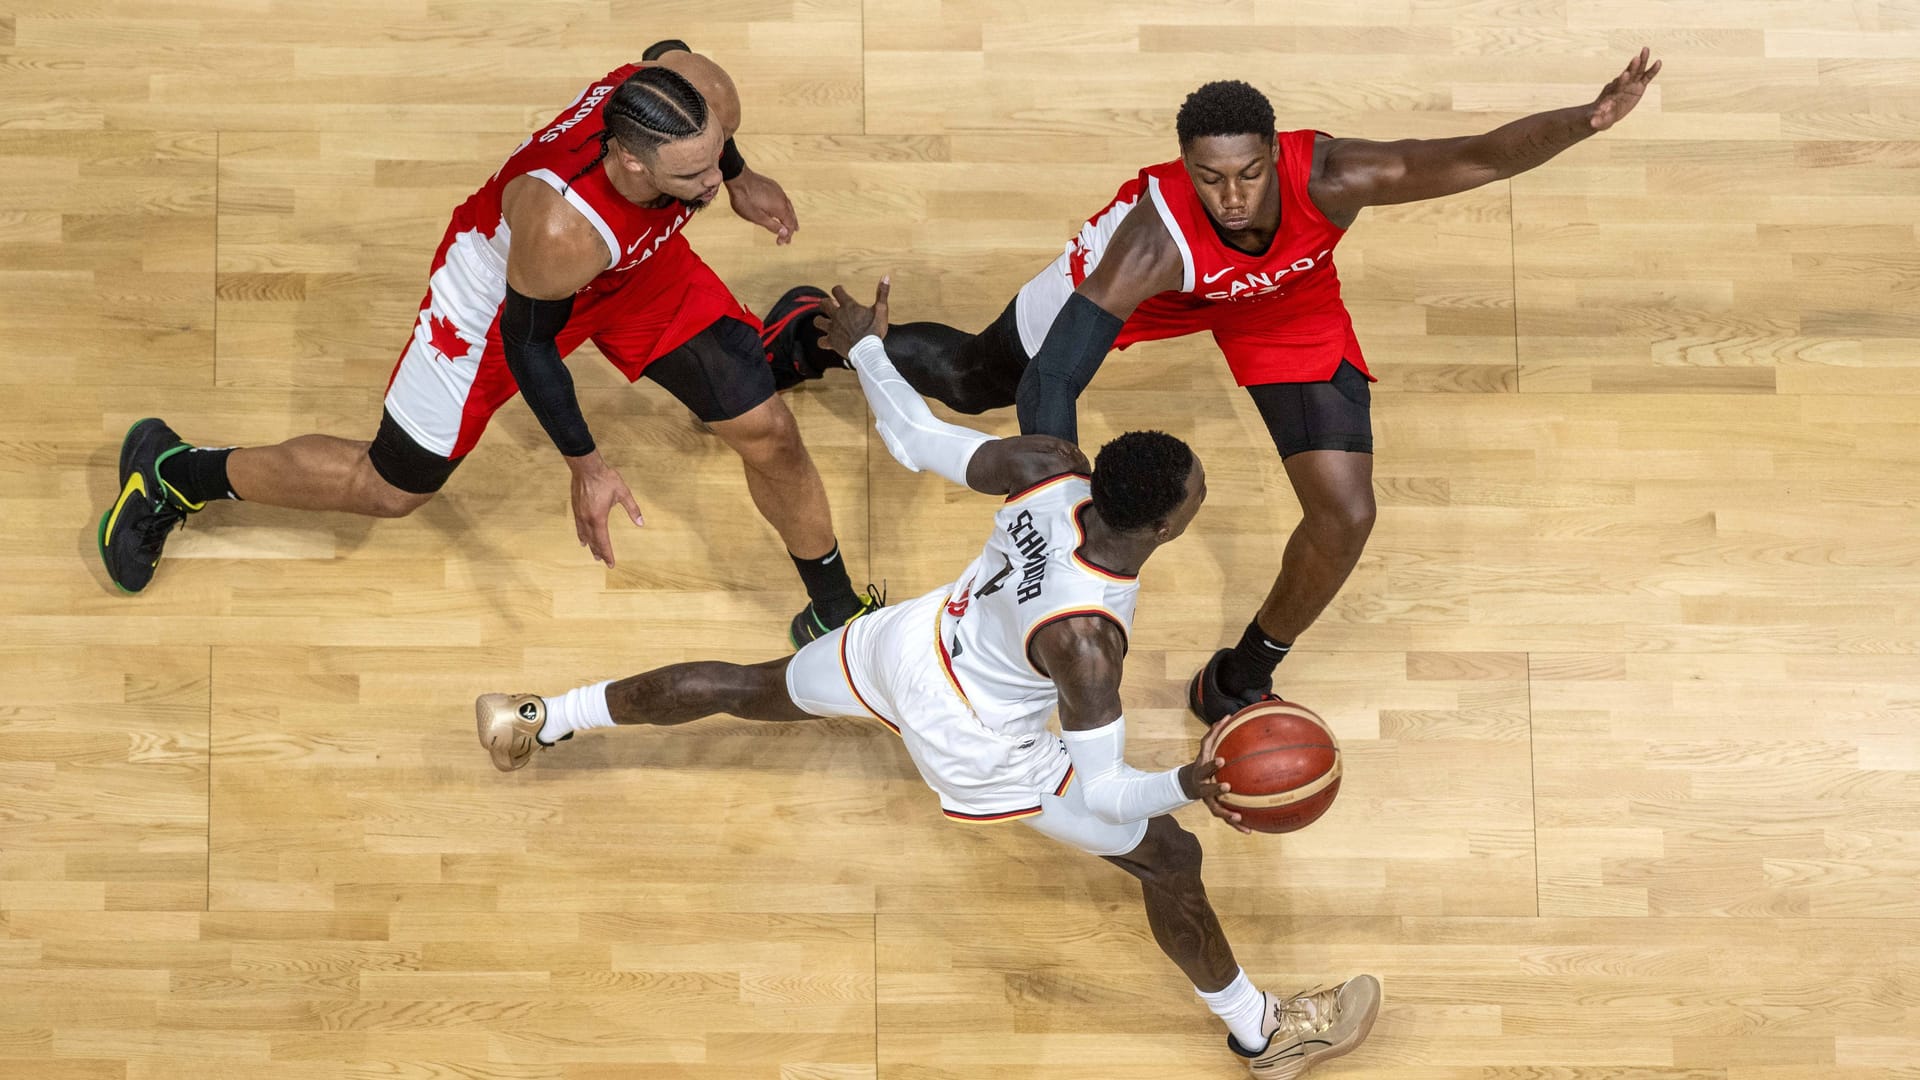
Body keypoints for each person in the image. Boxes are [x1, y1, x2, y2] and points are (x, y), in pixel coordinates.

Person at [476, 280, 1382, 1079]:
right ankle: (1265, 1037)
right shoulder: (1088, 644)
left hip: (908, 646)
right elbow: (1105, 790)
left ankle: (537, 714)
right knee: (1169, 854)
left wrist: (865, 343)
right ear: (1163, 529)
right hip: (976, 739)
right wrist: (1193, 783)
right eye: (1198, 499)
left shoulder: (1049, 469)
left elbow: (913, 438)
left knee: (748, 687)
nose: (1202, 500)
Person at [766, 50, 1664, 719]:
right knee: (974, 382)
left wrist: (1582, 120)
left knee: (1347, 515)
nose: (1231, 196)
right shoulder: (1148, 237)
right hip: (1151, 293)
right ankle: (824, 340)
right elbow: (1057, 375)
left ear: (1276, 154)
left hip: (1283, 301)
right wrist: (1053, 490)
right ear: (1185, 170)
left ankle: (1242, 674)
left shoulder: (1340, 176)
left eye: (1247, 173)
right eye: (1208, 178)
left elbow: (1482, 155)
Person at [97, 40, 878, 646]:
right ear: (631, 160)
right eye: (698, 175)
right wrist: (588, 466)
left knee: (767, 431)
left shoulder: (688, 95)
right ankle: (174, 474)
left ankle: (836, 613)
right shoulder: (561, 224)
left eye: (717, 155)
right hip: (506, 297)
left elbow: (665, 47)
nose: (712, 188)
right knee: (393, 487)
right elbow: (532, 345)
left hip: (632, 267)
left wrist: (737, 172)